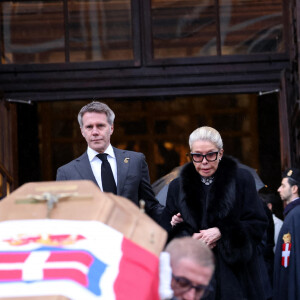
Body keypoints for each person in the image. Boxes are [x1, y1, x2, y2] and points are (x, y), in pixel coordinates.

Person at [160, 126, 269, 299]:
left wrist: (222, 231)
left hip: (237, 274)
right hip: (195, 275)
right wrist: (187, 238)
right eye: (197, 156)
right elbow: (168, 231)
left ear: (221, 153)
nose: (204, 162)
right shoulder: (177, 186)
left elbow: (258, 223)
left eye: (210, 155)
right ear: (190, 155)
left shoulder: (241, 180)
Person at [56, 101, 163, 222]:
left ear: (111, 128)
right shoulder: (67, 173)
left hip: (129, 237)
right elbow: (64, 217)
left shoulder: (135, 161)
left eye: (100, 125)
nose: (95, 132)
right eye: (89, 127)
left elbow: (151, 206)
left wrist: (174, 217)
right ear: (82, 131)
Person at [273, 168, 300, 300]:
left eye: (283, 186)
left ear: (294, 188)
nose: (279, 189)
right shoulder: (292, 213)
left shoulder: (296, 214)